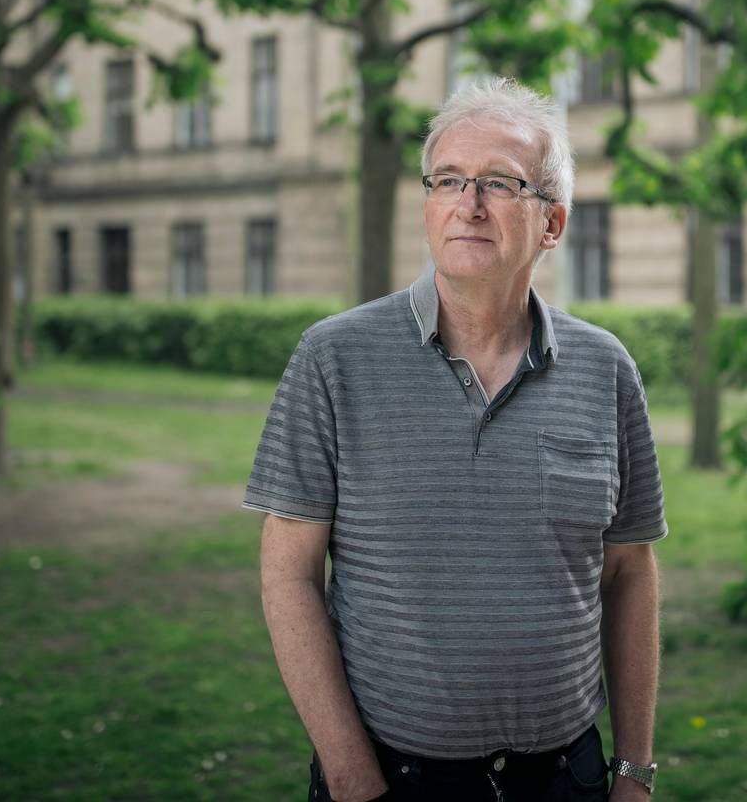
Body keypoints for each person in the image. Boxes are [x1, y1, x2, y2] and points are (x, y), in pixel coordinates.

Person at [244, 78, 667, 801]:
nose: (468, 203)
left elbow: (629, 571)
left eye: (499, 183)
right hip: (392, 779)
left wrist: (632, 772)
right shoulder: (333, 358)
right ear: (427, 204)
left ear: (553, 222)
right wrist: (351, 779)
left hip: (568, 778)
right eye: (449, 179)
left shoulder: (607, 370)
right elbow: (288, 574)